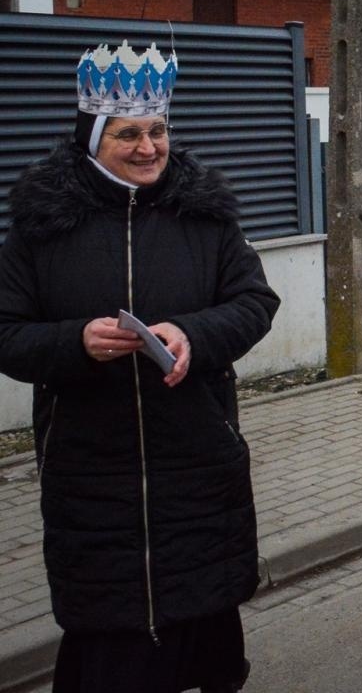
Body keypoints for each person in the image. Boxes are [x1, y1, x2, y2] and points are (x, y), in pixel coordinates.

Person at [0, 42, 280, 693]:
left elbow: (255, 302)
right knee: (111, 645)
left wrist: (193, 334)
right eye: (128, 133)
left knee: (203, 628)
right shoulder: (42, 227)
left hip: (197, 460)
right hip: (90, 470)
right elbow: (8, 332)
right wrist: (75, 343)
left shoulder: (205, 217)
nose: (149, 147)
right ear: (93, 137)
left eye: (157, 130)